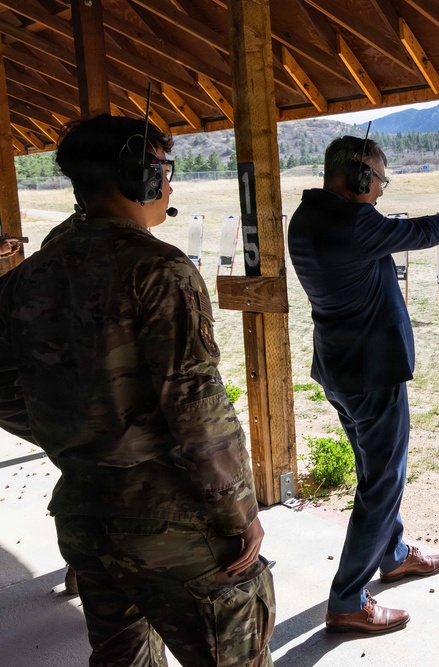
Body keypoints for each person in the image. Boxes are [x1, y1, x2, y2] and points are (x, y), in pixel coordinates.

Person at [0, 114, 275, 666]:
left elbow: (6, 390)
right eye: (164, 170)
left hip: (86, 514)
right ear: (140, 177)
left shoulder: (29, 275)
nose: (170, 184)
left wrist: (83, 440)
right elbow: (197, 409)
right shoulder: (159, 270)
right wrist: (240, 510)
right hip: (172, 526)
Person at [288, 136, 439, 634]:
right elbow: (414, 233)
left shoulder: (310, 216)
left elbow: (387, 228)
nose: (379, 189)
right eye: (378, 178)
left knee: (375, 471)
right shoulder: (351, 223)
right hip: (371, 373)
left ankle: (393, 555)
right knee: (382, 482)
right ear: (357, 177)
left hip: (340, 367)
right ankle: (348, 598)